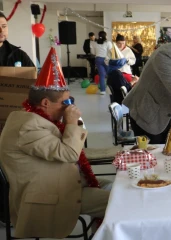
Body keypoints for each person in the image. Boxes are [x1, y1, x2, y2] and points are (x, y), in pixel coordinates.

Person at [0, 47, 111, 238]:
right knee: (121, 201)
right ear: (45, 103)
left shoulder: (36, 119)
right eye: (65, 103)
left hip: (59, 180)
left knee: (110, 184)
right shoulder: (28, 127)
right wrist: (71, 122)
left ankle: (99, 235)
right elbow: (69, 154)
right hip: (49, 195)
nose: (70, 107)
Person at [92, 31, 112, 95]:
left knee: (102, 75)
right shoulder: (108, 43)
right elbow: (111, 52)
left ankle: (102, 91)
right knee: (110, 74)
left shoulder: (95, 43)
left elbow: (93, 52)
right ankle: (111, 89)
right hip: (106, 59)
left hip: (98, 59)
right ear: (105, 36)